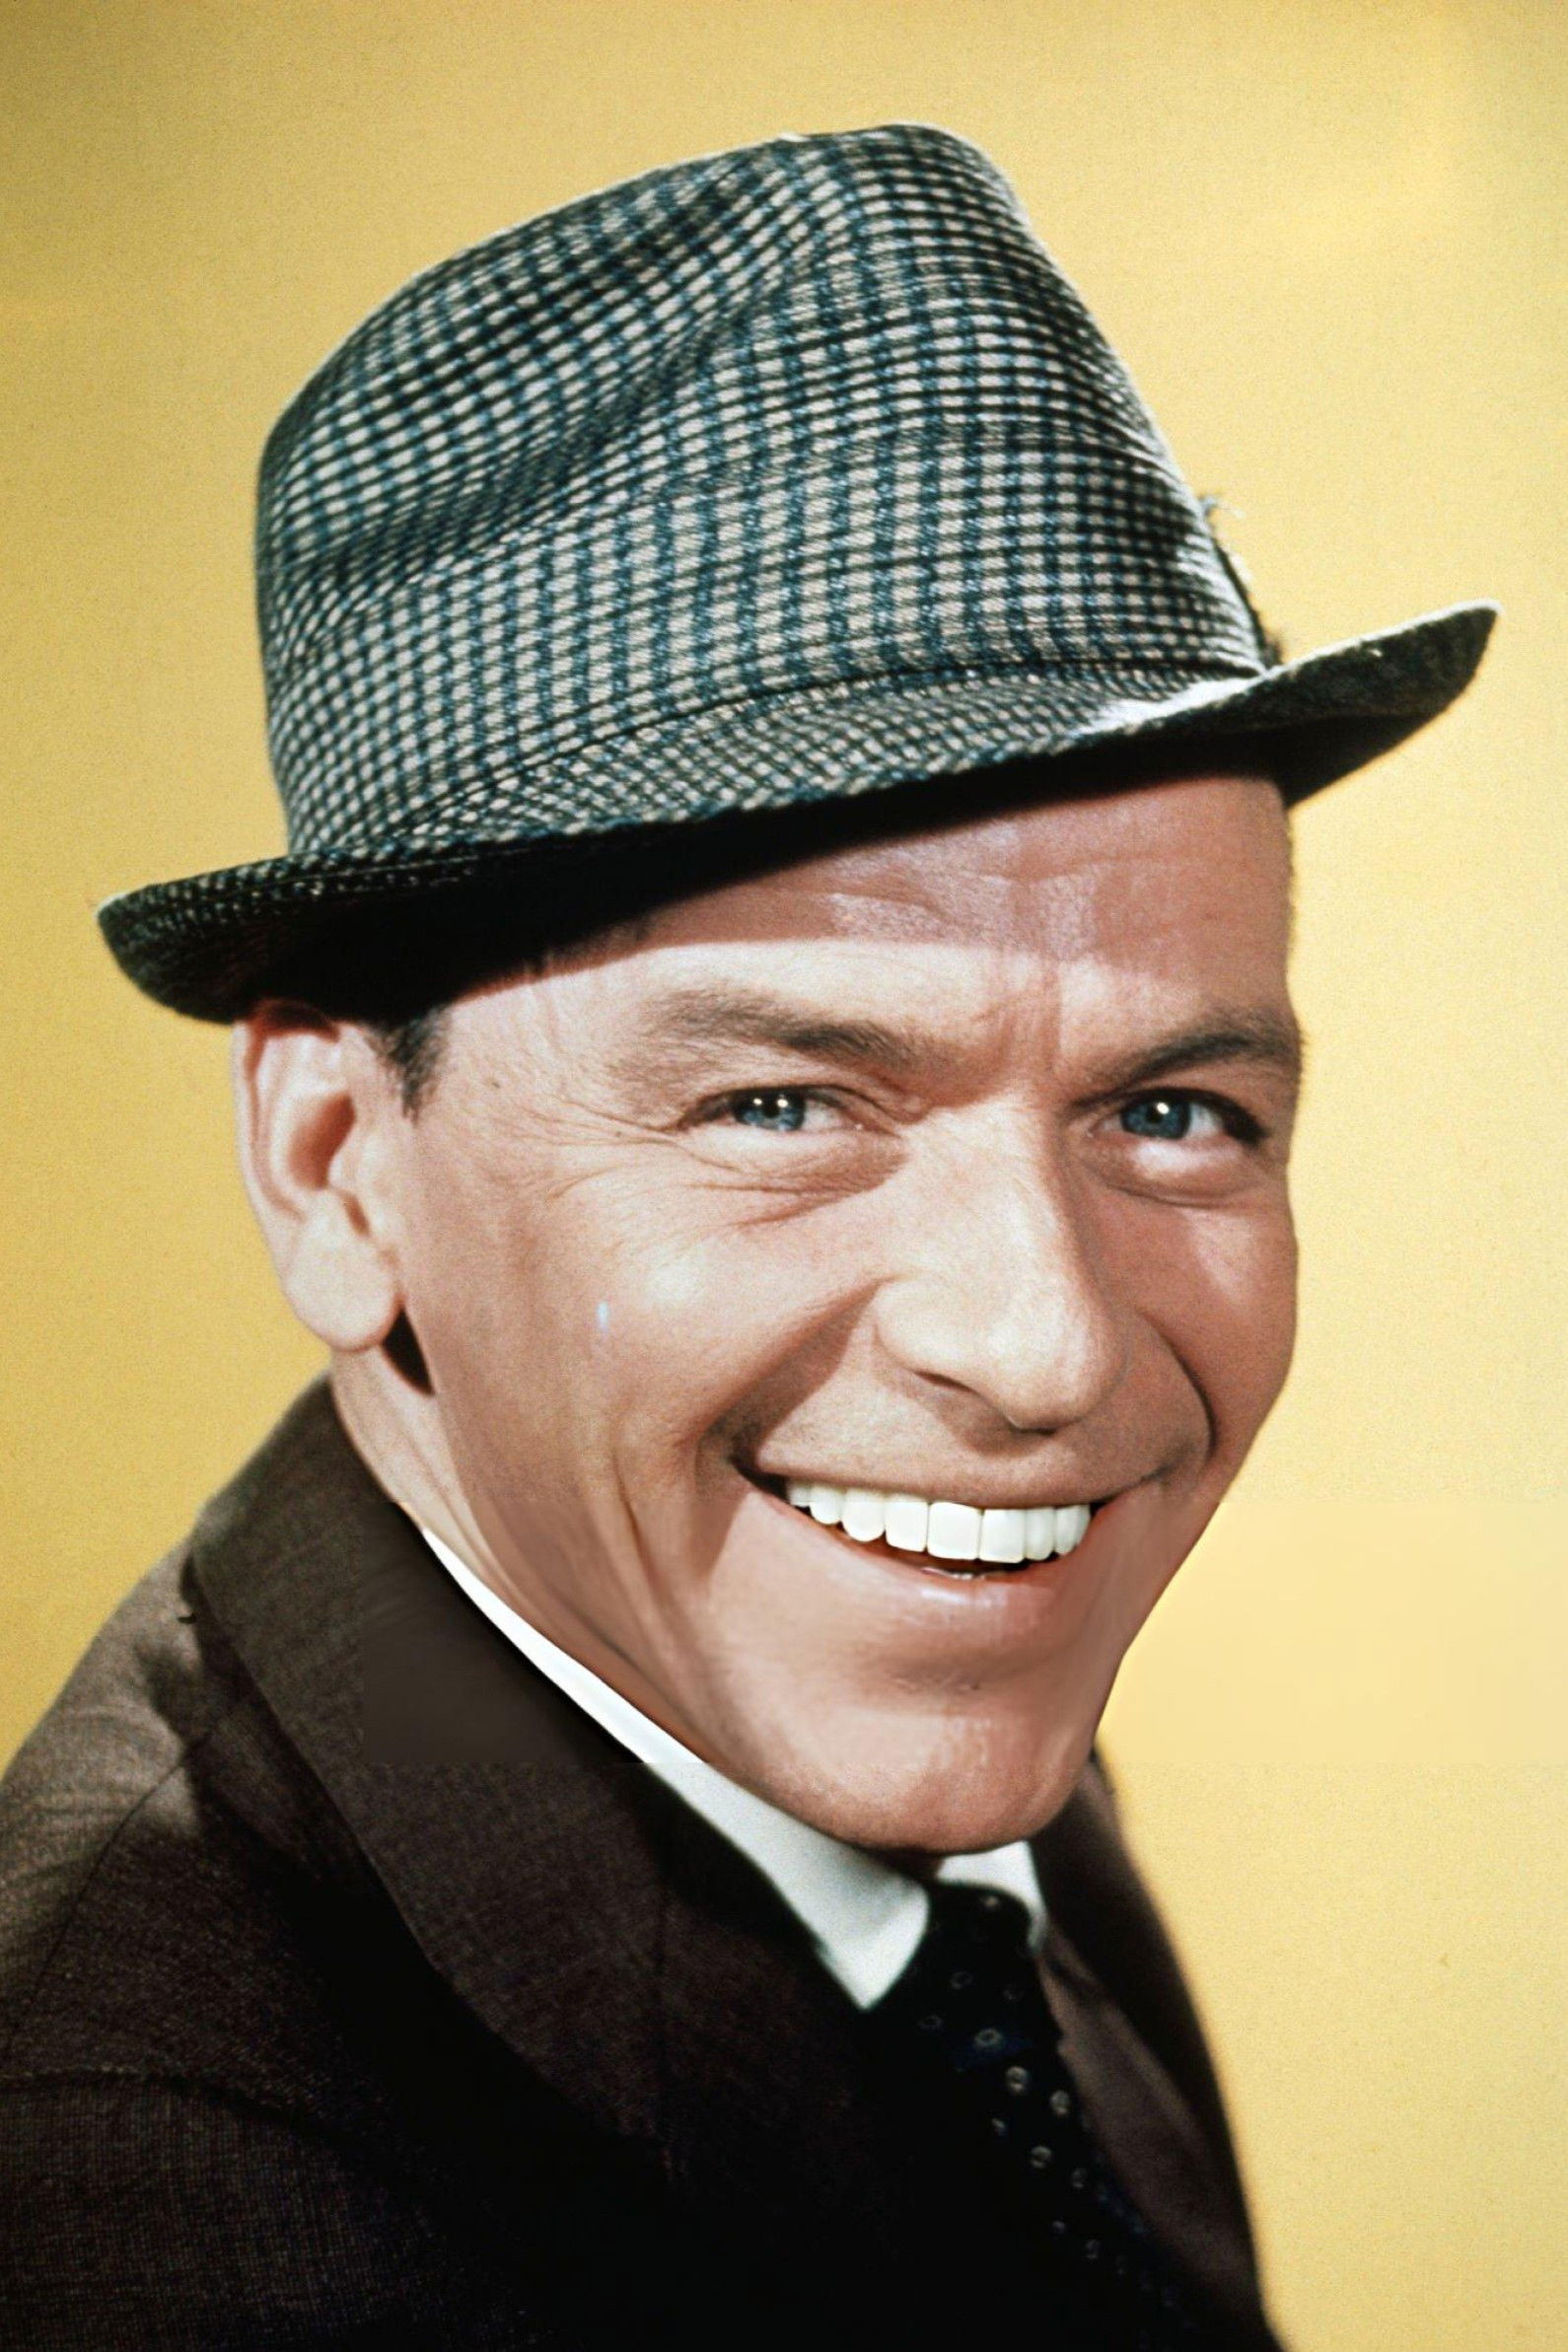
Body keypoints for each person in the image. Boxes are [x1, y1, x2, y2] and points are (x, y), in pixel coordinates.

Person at [0, 124, 1492, 2350]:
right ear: (335, 1166)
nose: (1045, 1348)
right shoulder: (153, 2194)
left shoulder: (870, 1698)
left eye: (1170, 1112)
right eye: (782, 1105)